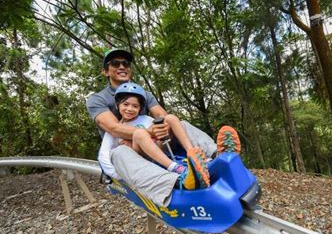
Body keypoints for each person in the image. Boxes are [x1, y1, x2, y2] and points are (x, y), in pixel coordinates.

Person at [86, 48, 240, 207]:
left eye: (125, 63)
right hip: (130, 152)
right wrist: (147, 132)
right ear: (105, 71)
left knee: (180, 123)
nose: (121, 67)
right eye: (115, 63)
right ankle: (177, 182)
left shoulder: (142, 94)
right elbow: (113, 128)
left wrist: (163, 128)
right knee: (119, 152)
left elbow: (162, 115)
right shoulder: (97, 99)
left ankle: (216, 156)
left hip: (156, 145)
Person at [98, 82, 210, 190]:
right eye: (126, 104)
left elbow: (159, 132)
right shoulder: (116, 128)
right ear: (118, 106)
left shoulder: (146, 119)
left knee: (170, 118)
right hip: (141, 158)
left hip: (158, 149)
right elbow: (104, 155)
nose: (130, 109)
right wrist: (119, 175)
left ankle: (193, 154)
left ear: (140, 109)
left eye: (135, 106)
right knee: (139, 133)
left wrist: (163, 130)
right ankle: (174, 167)